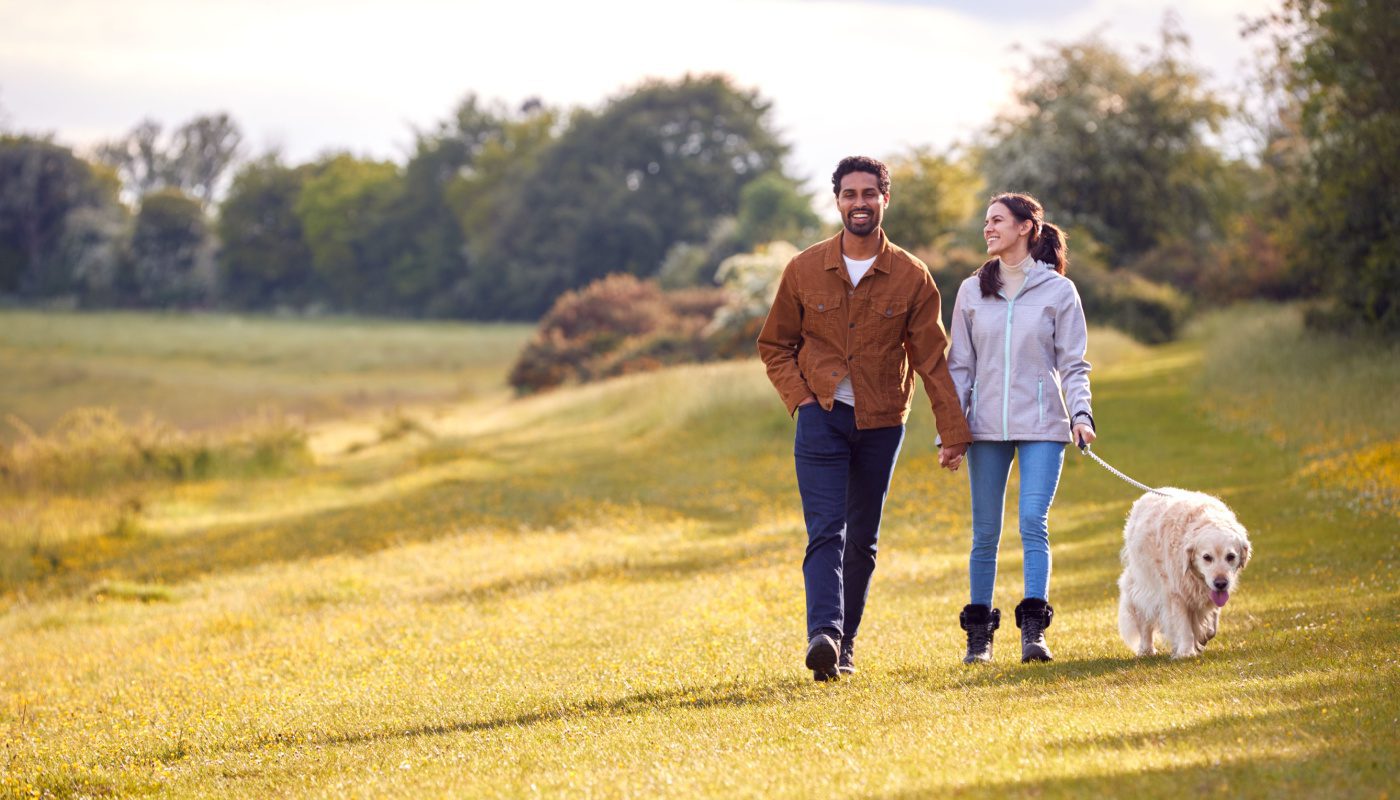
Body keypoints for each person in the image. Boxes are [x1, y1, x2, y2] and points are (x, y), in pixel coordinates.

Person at [758, 156, 971, 681]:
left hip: (882, 422)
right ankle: (824, 634)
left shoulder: (912, 276)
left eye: (869, 194)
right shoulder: (805, 269)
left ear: (884, 200)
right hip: (821, 416)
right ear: (836, 201)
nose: (859, 203)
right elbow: (774, 345)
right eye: (849, 194)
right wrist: (802, 402)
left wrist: (952, 431)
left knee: (863, 538)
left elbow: (931, 359)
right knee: (825, 529)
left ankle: (845, 643)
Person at [946, 192, 1095, 664]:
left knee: (1033, 521)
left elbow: (1073, 363)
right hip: (984, 426)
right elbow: (959, 369)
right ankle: (979, 639)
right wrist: (950, 432)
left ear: (1027, 227)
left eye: (997, 221)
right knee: (985, 532)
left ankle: (1034, 633)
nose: (988, 229)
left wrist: (1081, 415)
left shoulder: (1058, 291)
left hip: (1044, 425)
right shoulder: (972, 291)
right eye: (986, 222)